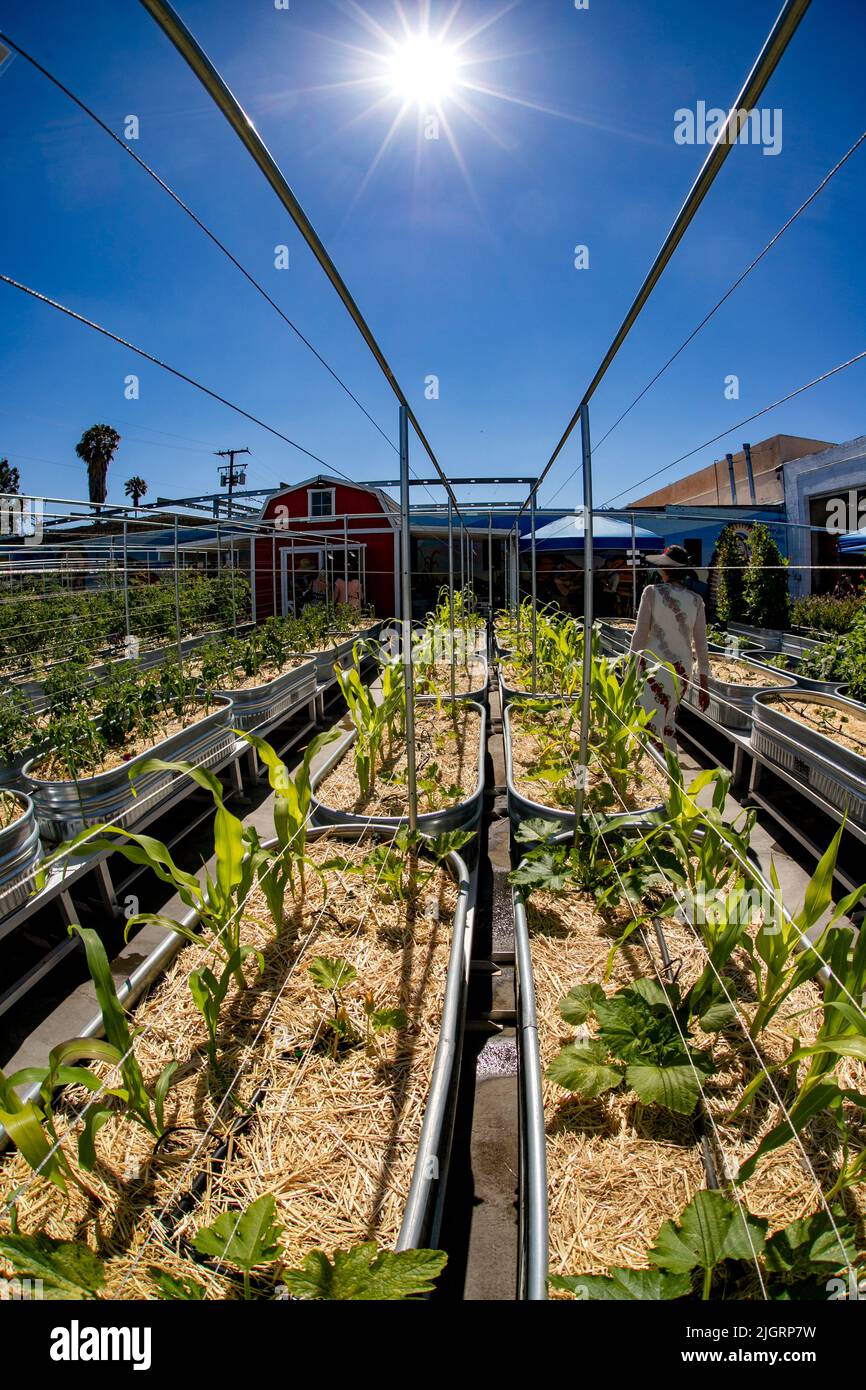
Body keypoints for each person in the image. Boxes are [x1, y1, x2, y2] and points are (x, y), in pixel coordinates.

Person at [629, 544, 710, 750]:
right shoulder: (696, 600)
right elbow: (701, 644)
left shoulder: (651, 593)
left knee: (649, 718)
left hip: (652, 667)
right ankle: (667, 759)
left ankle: (655, 761)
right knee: (666, 716)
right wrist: (704, 684)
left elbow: (640, 635)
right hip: (681, 672)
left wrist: (629, 666)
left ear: (664, 569)